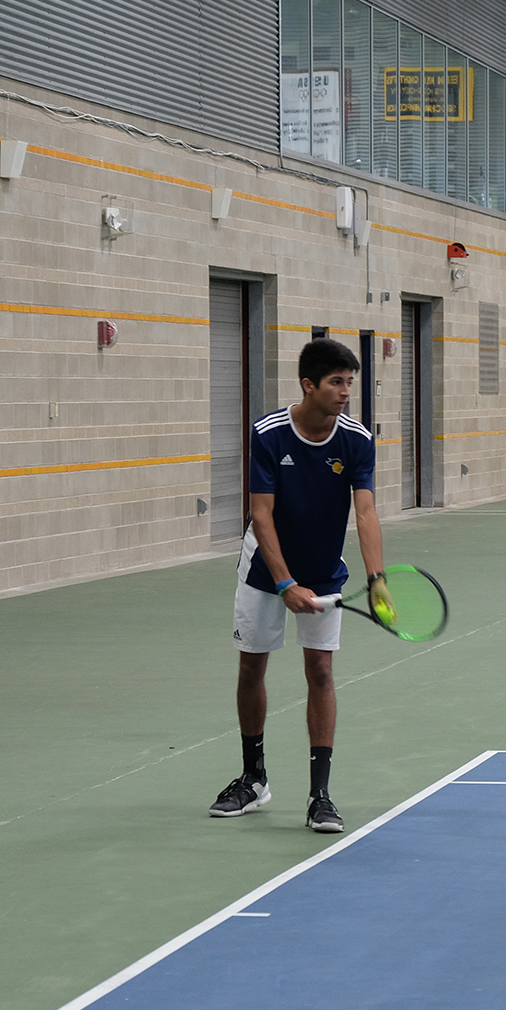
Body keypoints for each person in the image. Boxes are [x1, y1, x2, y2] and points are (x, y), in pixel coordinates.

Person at [211, 339, 386, 832]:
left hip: (325, 570)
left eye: (349, 382)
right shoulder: (269, 434)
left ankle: (320, 796)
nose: (345, 391)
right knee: (251, 669)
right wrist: (285, 582)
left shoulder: (356, 440)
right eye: (336, 382)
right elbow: (261, 515)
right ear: (308, 385)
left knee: (322, 674)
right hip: (266, 570)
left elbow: (367, 511)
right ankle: (253, 778)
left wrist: (376, 578)